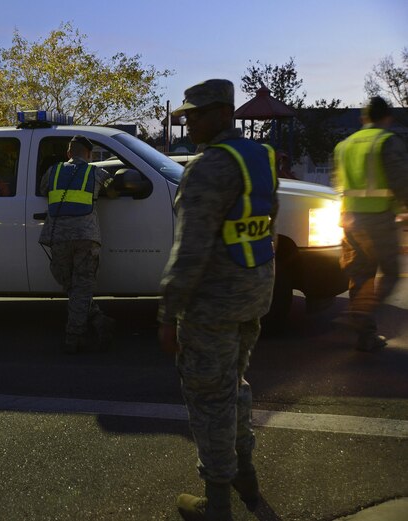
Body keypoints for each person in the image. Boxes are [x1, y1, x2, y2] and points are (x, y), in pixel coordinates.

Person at [158, 80, 278, 520]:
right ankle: (246, 476)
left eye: (194, 115)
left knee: (209, 401)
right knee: (235, 387)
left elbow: (189, 253)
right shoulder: (260, 157)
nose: (188, 123)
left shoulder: (208, 168)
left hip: (212, 307)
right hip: (253, 295)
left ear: (220, 114)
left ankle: (219, 504)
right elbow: (267, 221)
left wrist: (167, 314)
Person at [333, 96, 408, 352]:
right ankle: (361, 312)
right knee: (390, 274)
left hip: (350, 220)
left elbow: (339, 183)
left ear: (363, 118)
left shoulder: (345, 145)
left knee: (361, 275)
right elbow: (401, 182)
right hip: (378, 219)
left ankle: (365, 335)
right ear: (386, 117)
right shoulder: (386, 141)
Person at [38, 134, 115, 354]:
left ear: (69, 153)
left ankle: (96, 322)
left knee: (72, 286)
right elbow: (113, 189)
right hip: (85, 238)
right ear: (89, 155)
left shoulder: (52, 172)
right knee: (81, 287)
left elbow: (44, 190)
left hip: (57, 237)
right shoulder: (97, 173)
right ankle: (75, 336)